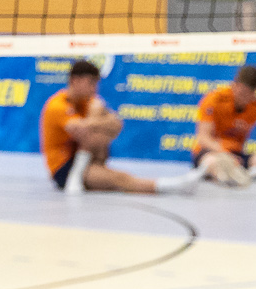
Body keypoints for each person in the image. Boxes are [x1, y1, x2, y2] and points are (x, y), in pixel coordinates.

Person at [41, 60, 201, 196]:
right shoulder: (57, 105)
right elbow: (81, 130)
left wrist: (95, 120)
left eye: (96, 83)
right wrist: (97, 120)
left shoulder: (89, 102)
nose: (94, 88)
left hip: (85, 159)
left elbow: (117, 124)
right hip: (64, 168)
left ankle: (81, 173)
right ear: (75, 81)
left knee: (99, 124)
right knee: (120, 179)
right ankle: (172, 186)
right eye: (91, 83)